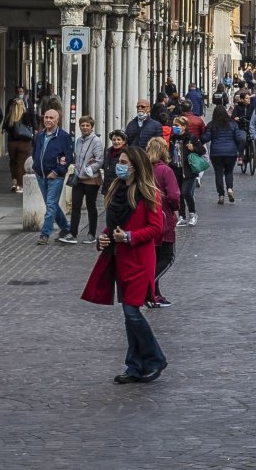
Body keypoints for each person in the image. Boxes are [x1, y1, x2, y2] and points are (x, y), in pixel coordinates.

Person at [81, 144, 166, 384]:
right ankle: (135, 366)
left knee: (131, 312)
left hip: (139, 261)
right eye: (120, 161)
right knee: (129, 315)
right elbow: (114, 223)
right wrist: (103, 238)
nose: (121, 166)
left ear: (136, 167)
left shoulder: (149, 193)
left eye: (125, 163)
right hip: (120, 259)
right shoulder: (117, 190)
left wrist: (129, 237)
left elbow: (155, 228)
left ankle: (154, 358)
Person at [142, 138, 180, 306]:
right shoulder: (165, 171)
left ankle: (155, 294)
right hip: (163, 217)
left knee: (155, 258)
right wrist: (175, 208)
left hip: (145, 218)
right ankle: (147, 289)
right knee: (167, 257)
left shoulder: (143, 170)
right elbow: (173, 196)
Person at [32, 107, 74, 244]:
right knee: (52, 204)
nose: (48, 120)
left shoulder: (63, 136)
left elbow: (68, 158)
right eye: (46, 117)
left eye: (51, 118)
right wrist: (36, 168)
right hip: (41, 175)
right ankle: (66, 228)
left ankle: (45, 234)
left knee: (50, 205)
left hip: (55, 176)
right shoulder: (39, 136)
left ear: (57, 120)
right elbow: (35, 153)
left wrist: (56, 171)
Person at [67, 115, 104, 242]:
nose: (85, 127)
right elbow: (77, 158)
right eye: (82, 125)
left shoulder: (96, 141)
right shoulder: (78, 141)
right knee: (75, 206)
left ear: (92, 127)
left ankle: (92, 234)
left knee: (91, 206)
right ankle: (72, 234)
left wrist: (89, 169)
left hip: (91, 179)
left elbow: (99, 160)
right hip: (78, 178)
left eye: (87, 125)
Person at [206, 103, 245, 204]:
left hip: (216, 153)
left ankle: (221, 195)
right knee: (229, 172)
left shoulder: (211, 125)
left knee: (218, 173)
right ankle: (230, 189)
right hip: (231, 152)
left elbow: (205, 138)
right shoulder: (232, 124)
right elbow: (239, 138)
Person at [4, 90, 36, 193]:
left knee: (13, 162)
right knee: (21, 164)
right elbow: (31, 124)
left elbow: (6, 128)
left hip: (11, 143)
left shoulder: (9, 117)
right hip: (24, 143)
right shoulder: (25, 115)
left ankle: (14, 182)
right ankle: (20, 185)